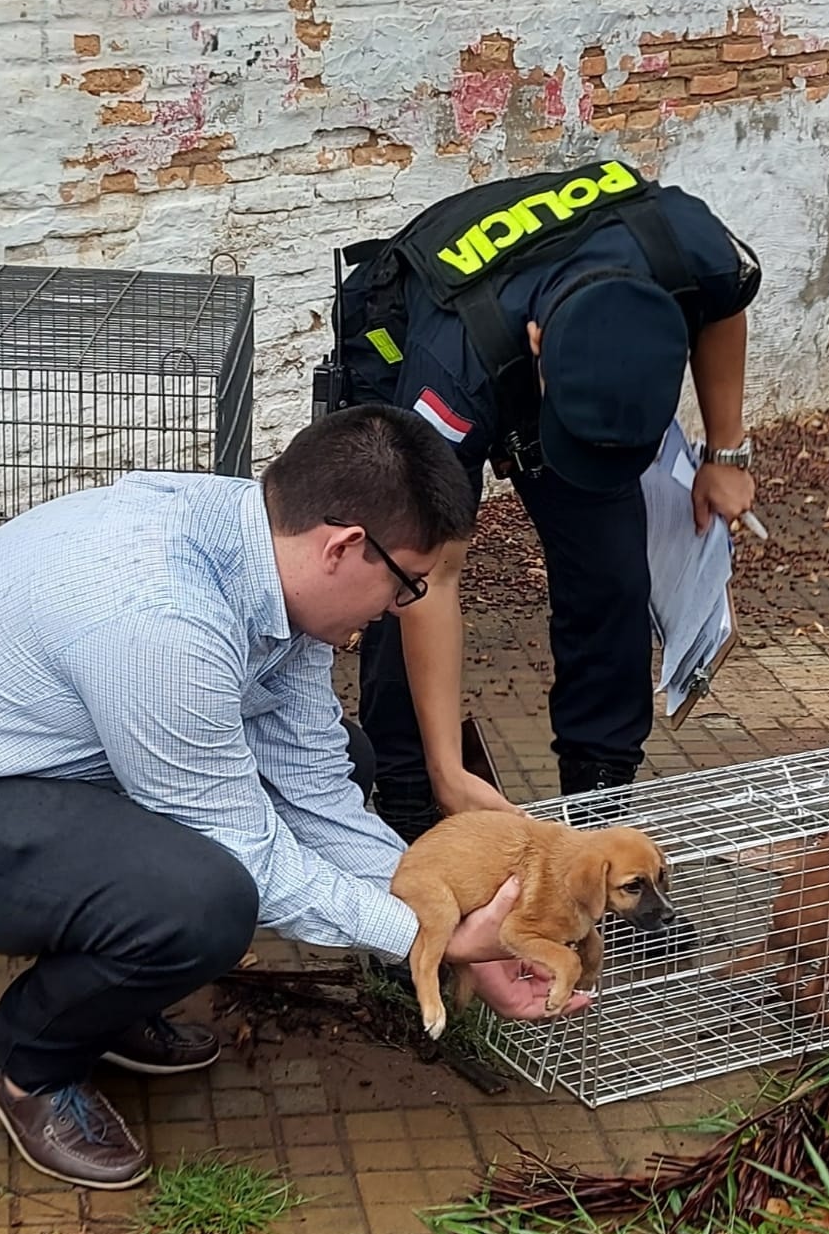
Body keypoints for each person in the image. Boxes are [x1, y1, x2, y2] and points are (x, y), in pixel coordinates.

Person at [0, 405, 586, 1191]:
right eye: (405, 585)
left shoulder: (262, 554)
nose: (400, 611)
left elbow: (312, 782)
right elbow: (249, 856)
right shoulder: (162, 621)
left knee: (345, 764)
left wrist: (449, 914)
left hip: (30, 766)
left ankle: (110, 995)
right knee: (203, 901)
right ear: (344, 547)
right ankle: (28, 1060)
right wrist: (422, 940)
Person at [319, 158, 761, 842]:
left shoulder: (681, 238)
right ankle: (412, 811)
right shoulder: (449, 376)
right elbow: (431, 579)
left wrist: (724, 454)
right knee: (394, 578)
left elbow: (722, 304)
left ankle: (599, 813)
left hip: (563, 359)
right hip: (414, 337)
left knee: (614, 581)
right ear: (538, 350)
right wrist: (446, 769)